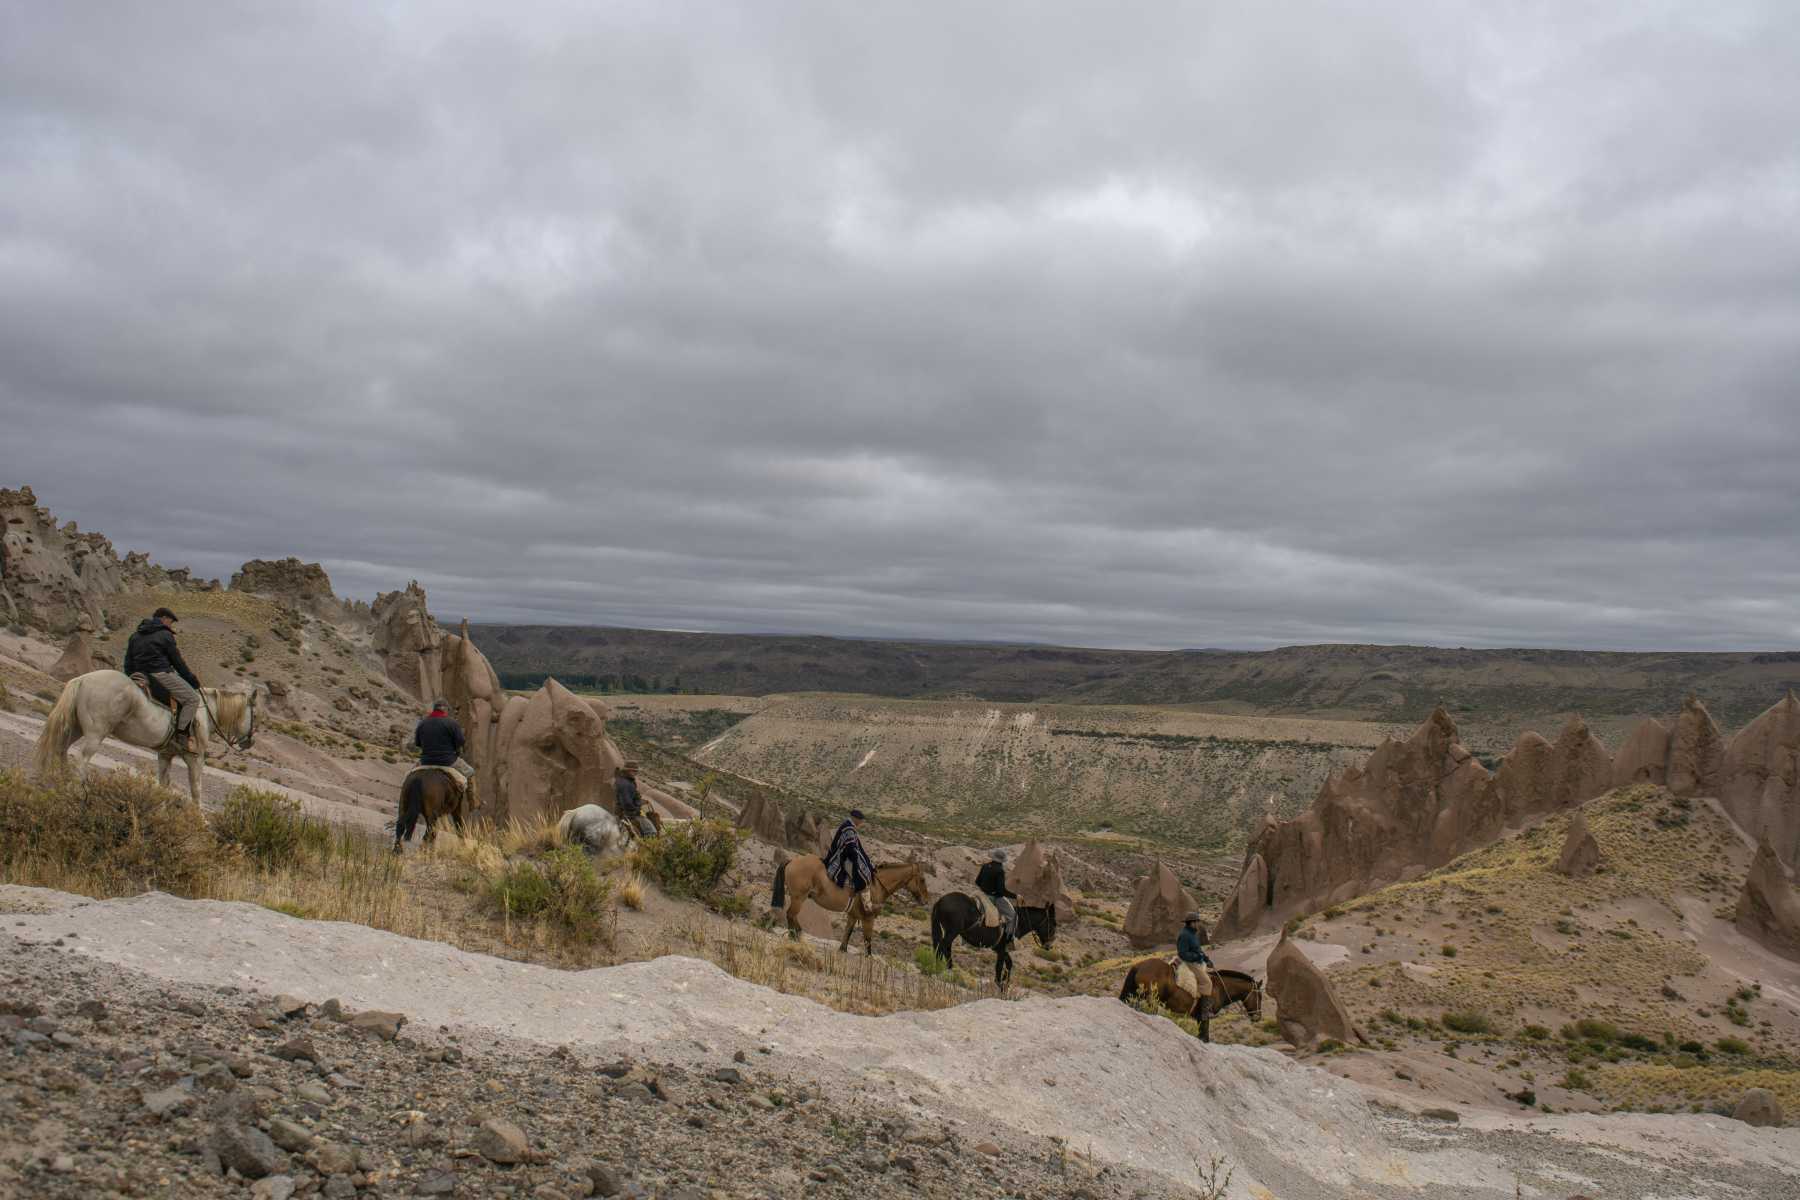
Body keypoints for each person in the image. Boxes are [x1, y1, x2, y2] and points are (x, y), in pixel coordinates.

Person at [123, 607, 201, 753]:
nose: (171, 625)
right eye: (170, 622)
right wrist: (192, 680)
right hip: (160, 674)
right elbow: (177, 662)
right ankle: (181, 737)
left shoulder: (135, 635)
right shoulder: (165, 635)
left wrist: (131, 677)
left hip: (139, 674)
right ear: (164, 618)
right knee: (192, 699)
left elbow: (128, 663)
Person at [823, 809, 875, 915]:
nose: (861, 823)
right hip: (840, 857)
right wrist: (858, 861)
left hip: (844, 854)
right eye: (861, 820)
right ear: (855, 819)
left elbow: (855, 847)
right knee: (863, 874)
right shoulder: (849, 829)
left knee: (863, 865)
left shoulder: (848, 826)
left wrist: (863, 858)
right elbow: (850, 849)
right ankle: (865, 904)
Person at [412, 699, 470, 782]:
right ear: (445, 709)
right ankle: (472, 795)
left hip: (425, 761)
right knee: (470, 773)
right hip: (448, 760)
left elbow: (417, 743)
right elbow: (461, 741)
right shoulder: (452, 723)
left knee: (409, 776)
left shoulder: (422, 723)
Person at [975, 848, 1019, 941]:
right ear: (1002, 861)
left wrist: (985, 888)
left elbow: (977, 882)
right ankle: (1008, 939)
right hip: (993, 897)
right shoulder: (1000, 870)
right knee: (1012, 915)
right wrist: (1016, 896)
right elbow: (1001, 891)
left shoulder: (985, 866)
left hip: (981, 894)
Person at [614, 761, 660, 839]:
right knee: (651, 831)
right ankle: (648, 847)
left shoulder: (626, 781)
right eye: (633, 771)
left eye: (636, 771)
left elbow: (630, 798)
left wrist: (641, 802)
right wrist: (637, 809)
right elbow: (627, 803)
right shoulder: (625, 784)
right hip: (629, 813)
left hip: (628, 810)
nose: (635, 773)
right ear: (627, 771)